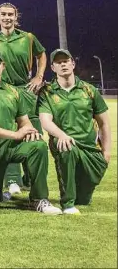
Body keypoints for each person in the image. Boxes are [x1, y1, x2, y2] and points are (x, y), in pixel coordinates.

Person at [0, 50, 62, 215]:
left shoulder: (13, 91)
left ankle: (39, 199)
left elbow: (23, 120)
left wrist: (30, 131)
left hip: (12, 146)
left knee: (37, 146)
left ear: (3, 66)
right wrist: (15, 134)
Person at [38, 49, 111, 214]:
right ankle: (68, 203)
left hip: (90, 148)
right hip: (65, 142)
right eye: (58, 62)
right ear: (53, 67)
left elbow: (104, 123)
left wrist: (106, 152)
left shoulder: (89, 90)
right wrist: (62, 135)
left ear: (73, 63)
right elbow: (45, 121)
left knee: (84, 200)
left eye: (66, 60)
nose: (63, 64)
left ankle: (78, 196)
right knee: (66, 147)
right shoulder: (47, 92)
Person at [0, 2, 46, 196]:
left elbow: (42, 54)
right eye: (3, 14)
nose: (7, 17)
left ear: (16, 17)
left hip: (25, 89)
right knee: (10, 132)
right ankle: (12, 180)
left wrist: (39, 76)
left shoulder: (27, 38)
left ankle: (31, 179)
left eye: (10, 14)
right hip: (3, 91)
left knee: (32, 132)